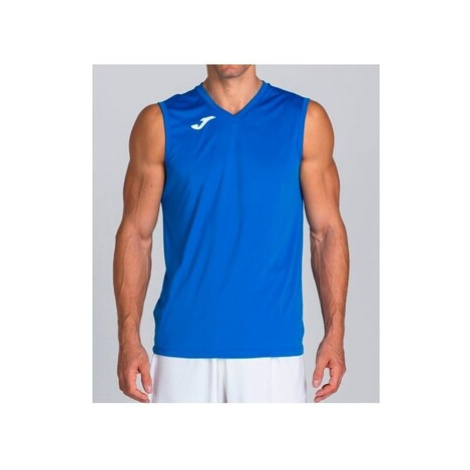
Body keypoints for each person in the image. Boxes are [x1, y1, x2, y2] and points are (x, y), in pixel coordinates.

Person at [113, 64, 349, 403]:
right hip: (181, 351)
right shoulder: (160, 123)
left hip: (273, 352)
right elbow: (135, 235)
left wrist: (335, 335)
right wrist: (128, 339)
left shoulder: (305, 120)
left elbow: (326, 232)